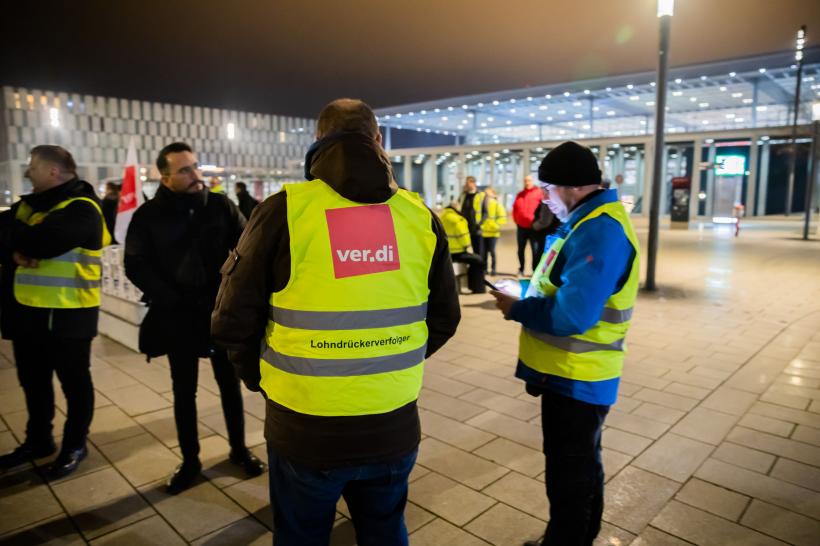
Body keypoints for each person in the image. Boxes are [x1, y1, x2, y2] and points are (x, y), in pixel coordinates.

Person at [211, 98, 460, 546]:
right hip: (394, 423)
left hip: (305, 426)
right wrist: (389, 360)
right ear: (378, 141)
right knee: (385, 532)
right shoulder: (419, 216)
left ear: (318, 143)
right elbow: (445, 318)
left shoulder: (285, 210)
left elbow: (231, 320)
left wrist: (263, 377)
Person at [490, 142, 639, 546]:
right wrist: (520, 288)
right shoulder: (582, 223)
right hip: (568, 376)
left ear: (571, 187)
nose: (544, 198)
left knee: (571, 474)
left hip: (579, 377)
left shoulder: (599, 230)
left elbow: (573, 316)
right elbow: (555, 287)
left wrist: (516, 309)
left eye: (547, 189)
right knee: (578, 467)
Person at [124, 142, 264, 495]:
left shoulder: (220, 206)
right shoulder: (149, 216)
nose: (196, 175)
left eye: (196, 166)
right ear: (165, 177)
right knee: (183, 391)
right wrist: (170, 297)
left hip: (219, 315)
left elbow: (248, 249)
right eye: (185, 170)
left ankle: (238, 450)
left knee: (230, 387)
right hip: (177, 317)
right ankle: (190, 461)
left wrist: (230, 295)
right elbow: (135, 263)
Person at [0, 145, 110, 479]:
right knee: (33, 382)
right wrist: (18, 246)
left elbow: (45, 242)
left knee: (74, 384)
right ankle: (38, 441)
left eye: (32, 167)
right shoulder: (28, 207)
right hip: (27, 315)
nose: (26, 172)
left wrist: (17, 245)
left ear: (52, 171)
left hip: (68, 315)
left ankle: (75, 444)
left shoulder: (83, 208)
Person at [441, 200, 486, 293]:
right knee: (479, 261)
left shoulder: (441, 217)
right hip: (458, 253)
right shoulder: (459, 219)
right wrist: (467, 246)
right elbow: (464, 239)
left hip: (445, 253)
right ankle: (477, 288)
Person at [512, 175, 542, 276]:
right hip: (521, 227)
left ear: (533, 181)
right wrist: (516, 220)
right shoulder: (520, 194)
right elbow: (515, 208)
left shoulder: (539, 193)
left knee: (535, 250)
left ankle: (535, 270)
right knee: (520, 249)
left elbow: (543, 209)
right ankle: (521, 269)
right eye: (525, 181)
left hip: (534, 228)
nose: (527, 182)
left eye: (529, 180)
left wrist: (538, 223)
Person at [479, 186, 507, 276]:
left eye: (488, 193)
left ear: (493, 193)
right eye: (485, 193)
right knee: (484, 252)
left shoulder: (496, 204)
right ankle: (484, 269)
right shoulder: (482, 203)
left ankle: (493, 269)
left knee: (492, 251)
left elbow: (502, 218)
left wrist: (494, 226)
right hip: (484, 232)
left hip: (493, 232)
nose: (486, 195)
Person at [457, 176, 486, 256]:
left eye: (468, 183)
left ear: (473, 183)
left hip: (476, 228)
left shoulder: (481, 195)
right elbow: (457, 208)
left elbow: (485, 212)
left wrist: (479, 224)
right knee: (466, 250)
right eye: (466, 183)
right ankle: (470, 268)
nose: (466, 184)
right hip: (464, 228)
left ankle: (480, 268)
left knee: (478, 250)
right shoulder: (463, 195)